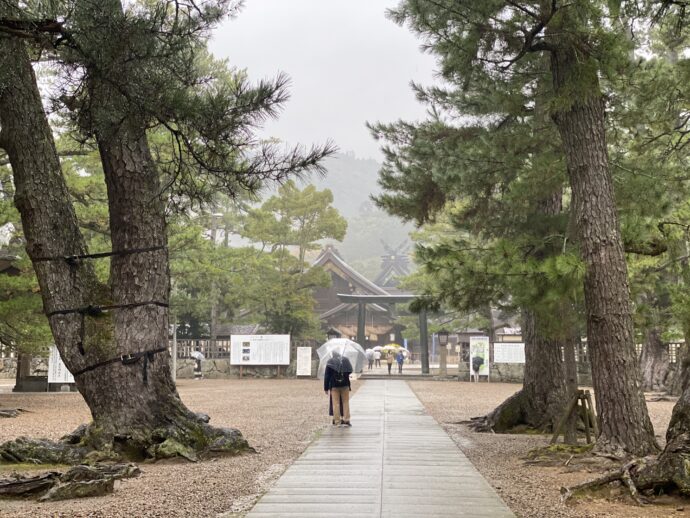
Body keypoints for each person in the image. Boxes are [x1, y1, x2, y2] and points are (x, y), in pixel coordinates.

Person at [324, 352, 353, 427]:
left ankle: (337, 421)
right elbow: (350, 370)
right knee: (345, 402)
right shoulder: (345, 360)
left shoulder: (330, 361)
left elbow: (327, 375)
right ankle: (346, 420)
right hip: (345, 384)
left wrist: (326, 388)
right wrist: (344, 373)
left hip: (334, 385)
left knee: (335, 403)